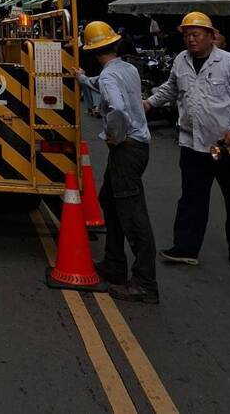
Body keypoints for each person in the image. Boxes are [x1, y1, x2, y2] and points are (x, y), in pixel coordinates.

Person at [74, 20, 158, 303]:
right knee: (109, 200)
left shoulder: (109, 77)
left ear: (92, 52)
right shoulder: (127, 69)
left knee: (133, 215)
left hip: (127, 148)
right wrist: (83, 79)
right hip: (138, 146)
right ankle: (114, 264)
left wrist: (114, 137)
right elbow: (103, 83)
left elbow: (118, 110)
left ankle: (145, 283)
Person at [144, 11, 230, 267]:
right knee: (192, 199)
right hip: (192, 143)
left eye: (195, 34)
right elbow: (171, 88)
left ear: (211, 36)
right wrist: (149, 103)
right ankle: (186, 248)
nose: (191, 40)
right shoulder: (181, 60)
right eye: (186, 35)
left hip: (225, 146)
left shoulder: (229, 63)